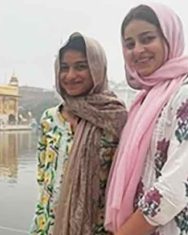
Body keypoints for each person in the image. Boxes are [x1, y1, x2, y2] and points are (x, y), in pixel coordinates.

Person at [30, 32, 127, 235]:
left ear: (97, 69)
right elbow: (43, 177)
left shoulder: (114, 119)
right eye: (64, 68)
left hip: (95, 228)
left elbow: (123, 184)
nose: (70, 75)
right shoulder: (50, 119)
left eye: (81, 66)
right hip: (47, 225)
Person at [105, 3, 188, 235]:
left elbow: (174, 189)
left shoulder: (183, 92)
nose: (138, 50)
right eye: (129, 44)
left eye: (147, 38)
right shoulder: (144, 99)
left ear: (169, 39)